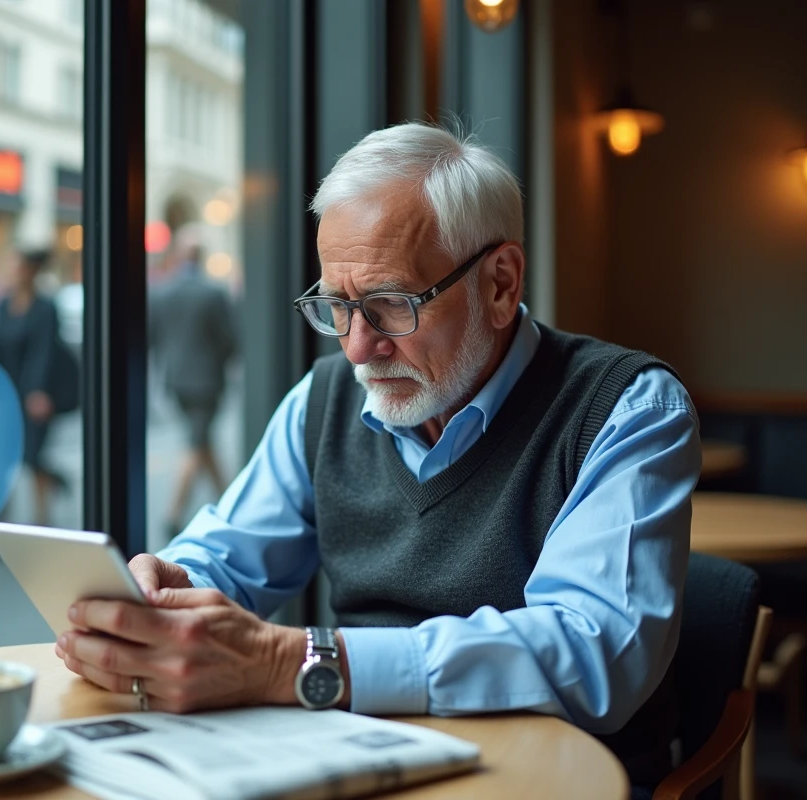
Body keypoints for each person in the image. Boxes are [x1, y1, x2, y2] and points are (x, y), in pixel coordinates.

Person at [53, 123, 701, 795]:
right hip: (360, 762)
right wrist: (165, 592)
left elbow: (595, 653)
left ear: (501, 283)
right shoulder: (324, 398)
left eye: (391, 304)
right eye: (338, 305)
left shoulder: (628, 407)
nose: (358, 348)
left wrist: (296, 663)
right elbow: (228, 557)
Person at [147, 228, 238, 539]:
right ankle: (173, 513)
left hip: (175, 381)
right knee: (195, 443)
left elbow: (154, 336)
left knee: (202, 441)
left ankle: (230, 501)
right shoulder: (213, 292)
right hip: (206, 381)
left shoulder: (162, 291)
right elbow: (229, 338)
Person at [0, 247, 66, 526]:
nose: (12, 271)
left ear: (32, 271)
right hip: (5, 394)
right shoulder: (2, 305)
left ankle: (42, 519)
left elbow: (44, 353)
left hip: (34, 395)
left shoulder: (45, 308)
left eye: (18, 265)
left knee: (33, 458)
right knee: (1, 459)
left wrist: (38, 392)